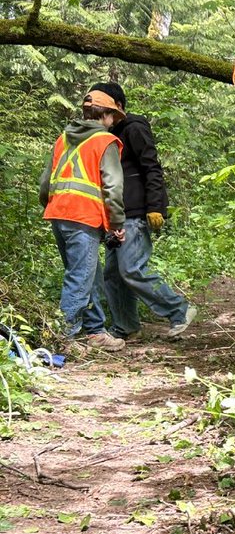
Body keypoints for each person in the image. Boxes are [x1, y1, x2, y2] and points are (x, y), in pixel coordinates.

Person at [84, 83, 197, 340]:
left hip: (135, 213)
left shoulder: (133, 127)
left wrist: (156, 206)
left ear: (118, 106)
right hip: (117, 216)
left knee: (132, 269)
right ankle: (126, 326)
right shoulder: (104, 135)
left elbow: (152, 168)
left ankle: (180, 309)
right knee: (113, 275)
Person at [40, 98, 127, 353]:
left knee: (89, 274)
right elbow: (113, 188)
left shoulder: (63, 138)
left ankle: (96, 331)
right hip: (84, 217)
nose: (114, 123)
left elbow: (45, 182)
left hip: (59, 213)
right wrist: (116, 223)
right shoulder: (105, 141)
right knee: (79, 278)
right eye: (114, 117)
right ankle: (62, 340)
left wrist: (55, 205)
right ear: (107, 115)